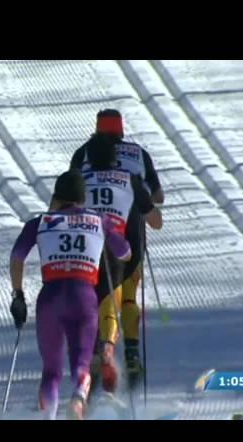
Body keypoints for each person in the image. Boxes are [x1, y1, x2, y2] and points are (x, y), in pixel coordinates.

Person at [9, 171, 131, 420]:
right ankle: (77, 400)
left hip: (50, 298)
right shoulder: (98, 220)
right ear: (81, 199)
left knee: (51, 371)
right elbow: (125, 252)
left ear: (56, 197)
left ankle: (48, 416)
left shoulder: (39, 222)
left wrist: (18, 294)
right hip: (84, 297)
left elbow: (17, 257)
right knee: (81, 364)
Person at [71, 109, 165, 388]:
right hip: (131, 229)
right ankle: (132, 353)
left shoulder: (83, 153)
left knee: (101, 294)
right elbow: (158, 196)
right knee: (128, 296)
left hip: (89, 236)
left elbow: (69, 189)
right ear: (121, 130)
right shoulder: (138, 154)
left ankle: (101, 348)